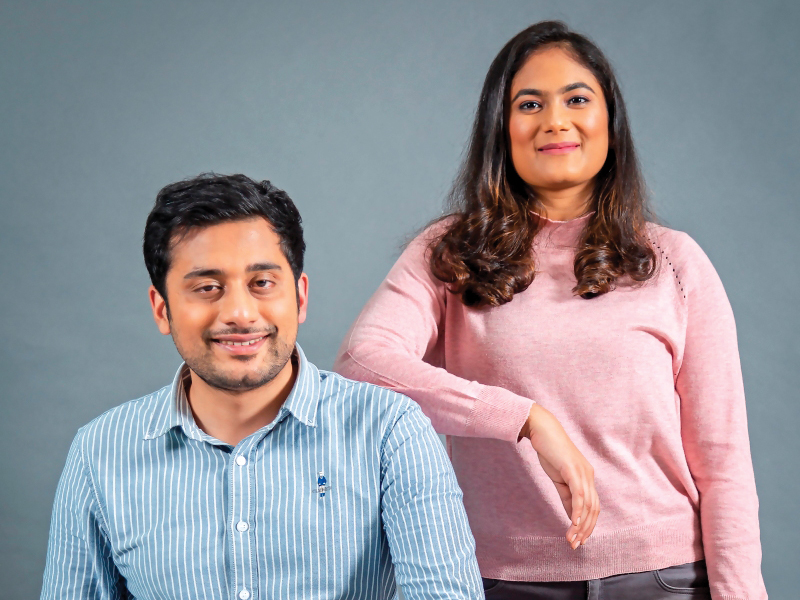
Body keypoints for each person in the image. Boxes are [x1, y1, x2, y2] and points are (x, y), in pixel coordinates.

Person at [335, 21, 767, 599]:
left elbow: (724, 466)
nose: (555, 120)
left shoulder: (674, 263)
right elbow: (362, 365)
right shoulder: (451, 254)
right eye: (529, 103)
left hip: (664, 582)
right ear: (501, 128)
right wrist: (525, 419)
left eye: (577, 99)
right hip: (504, 583)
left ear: (608, 121)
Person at [40, 173, 483, 600]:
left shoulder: (389, 431)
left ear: (300, 296)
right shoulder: (99, 452)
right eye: (208, 287)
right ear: (161, 308)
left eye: (262, 283)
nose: (240, 312)